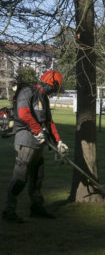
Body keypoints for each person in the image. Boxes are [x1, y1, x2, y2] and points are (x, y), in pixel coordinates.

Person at [2, 70, 69, 223]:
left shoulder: (44, 98)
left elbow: (49, 122)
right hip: (26, 140)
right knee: (20, 177)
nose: (51, 92)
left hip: (39, 143)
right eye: (52, 88)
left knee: (38, 177)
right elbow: (24, 113)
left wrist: (58, 142)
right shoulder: (27, 92)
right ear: (47, 82)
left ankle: (37, 207)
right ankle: (9, 211)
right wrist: (37, 130)